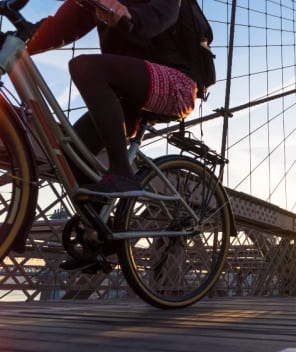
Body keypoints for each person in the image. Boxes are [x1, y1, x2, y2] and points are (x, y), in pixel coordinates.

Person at [28, 0, 200, 271]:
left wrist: (129, 15)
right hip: (126, 93)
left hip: (177, 84)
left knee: (85, 67)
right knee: (74, 151)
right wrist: (20, 43)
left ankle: (122, 172)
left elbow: (159, 17)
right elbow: (57, 30)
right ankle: (101, 241)